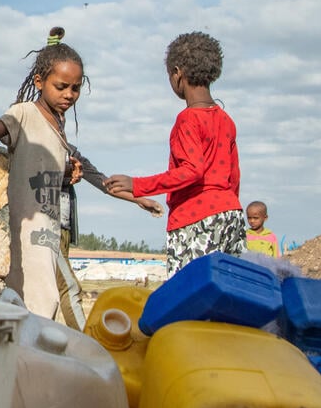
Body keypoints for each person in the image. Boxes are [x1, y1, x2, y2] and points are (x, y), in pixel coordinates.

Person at [0, 27, 162, 327]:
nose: (69, 95)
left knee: (39, 302)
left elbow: (96, 178)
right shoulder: (24, 113)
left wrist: (138, 199)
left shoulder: (58, 128)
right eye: (61, 86)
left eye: (75, 88)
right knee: (42, 302)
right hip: (26, 229)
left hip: (49, 230)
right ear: (40, 82)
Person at [104, 31, 245, 276]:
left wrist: (137, 185)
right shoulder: (226, 120)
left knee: (188, 296)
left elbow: (192, 170)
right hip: (231, 215)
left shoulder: (188, 119)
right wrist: (228, 207)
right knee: (226, 291)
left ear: (177, 73)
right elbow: (234, 177)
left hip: (195, 218)